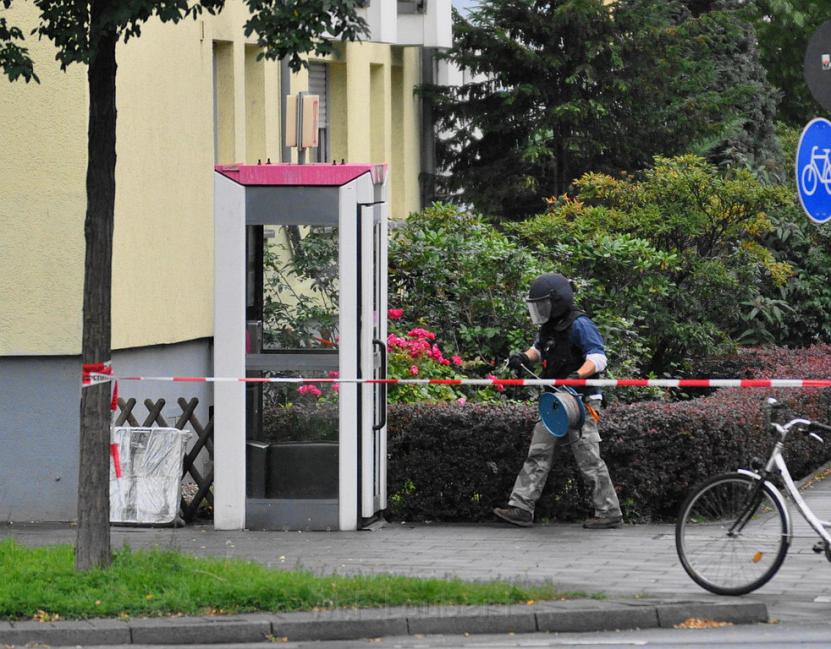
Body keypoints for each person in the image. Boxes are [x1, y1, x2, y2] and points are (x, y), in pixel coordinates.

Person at [493, 272, 623, 529]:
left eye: (543, 304)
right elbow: (539, 349)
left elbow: (598, 357)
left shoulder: (580, 324)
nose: (540, 309)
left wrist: (578, 375)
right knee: (538, 452)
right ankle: (521, 508)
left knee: (588, 458)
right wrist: (523, 357)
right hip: (554, 399)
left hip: (581, 401)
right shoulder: (550, 326)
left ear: (558, 301)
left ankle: (609, 512)